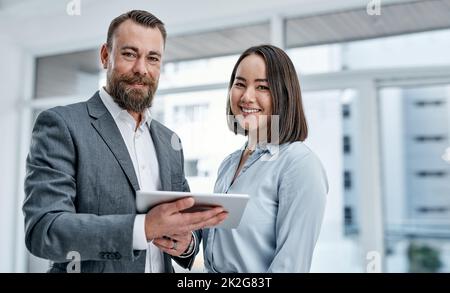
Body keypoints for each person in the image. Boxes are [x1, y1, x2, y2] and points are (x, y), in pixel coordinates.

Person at [23, 10, 227, 273]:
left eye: (153, 58)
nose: (141, 69)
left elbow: (185, 229)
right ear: (105, 56)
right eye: (129, 54)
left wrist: (187, 243)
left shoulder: (169, 141)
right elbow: (44, 230)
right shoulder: (62, 125)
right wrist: (143, 228)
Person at [202, 45, 328, 273]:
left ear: (283, 95)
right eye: (240, 84)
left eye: (262, 87)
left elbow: (290, 267)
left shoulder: (299, 164)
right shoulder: (229, 164)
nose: (247, 97)